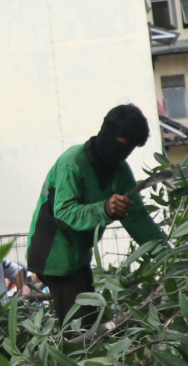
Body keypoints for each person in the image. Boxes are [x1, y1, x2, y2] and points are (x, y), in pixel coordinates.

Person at [26, 104, 164, 329]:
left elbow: (138, 219)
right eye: (123, 144)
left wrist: (169, 257)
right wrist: (105, 209)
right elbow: (63, 213)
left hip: (78, 258)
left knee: (92, 319)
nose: (125, 152)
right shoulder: (73, 162)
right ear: (108, 134)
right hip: (53, 256)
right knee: (80, 330)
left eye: (131, 147)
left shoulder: (120, 172)